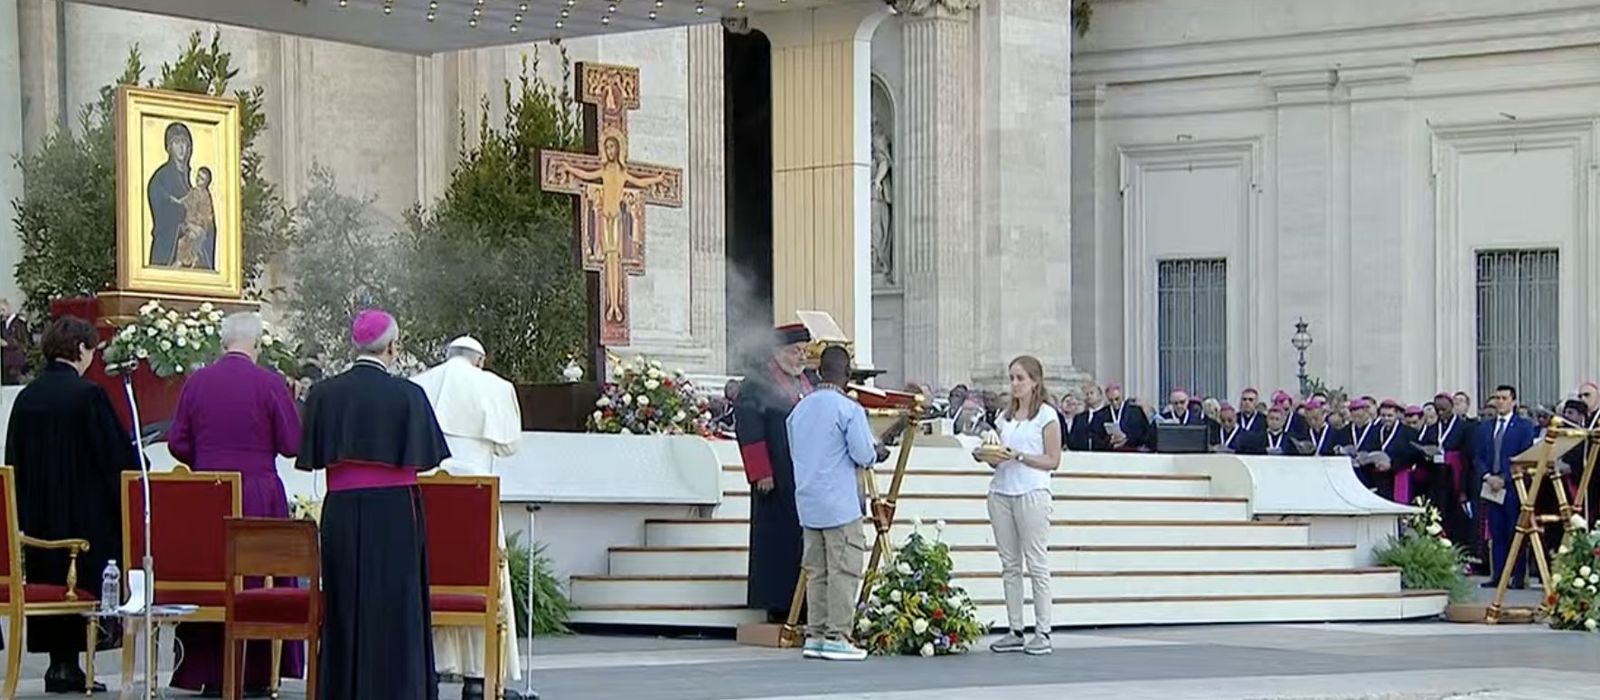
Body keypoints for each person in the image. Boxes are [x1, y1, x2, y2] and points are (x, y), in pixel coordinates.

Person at [297, 310, 450, 699]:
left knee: (345, 598)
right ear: (393, 347)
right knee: (397, 602)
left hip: (344, 511)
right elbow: (427, 457)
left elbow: (310, 456)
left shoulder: (325, 394)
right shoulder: (408, 394)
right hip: (396, 510)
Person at [165, 312, 303, 695]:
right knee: (260, 576)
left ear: (223, 343)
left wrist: (206, 461)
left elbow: (177, 442)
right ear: (257, 344)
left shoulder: (197, 382)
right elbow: (292, 443)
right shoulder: (269, 383)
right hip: (259, 492)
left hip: (210, 495)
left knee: (213, 575)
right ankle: (258, 673)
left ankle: (208, 671)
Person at [3, 316, 134, 692]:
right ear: (80, 349)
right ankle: (78, 662)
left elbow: (14, 459)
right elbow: (115, 459)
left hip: (39, 518)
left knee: (50, 573)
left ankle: (60, 664)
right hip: (84, 516)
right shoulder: (88, 395)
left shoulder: (27, 397)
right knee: (91, 573)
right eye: (90, 349)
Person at [411, 336, 526, 700]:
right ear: (480, 361)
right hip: (478, 498)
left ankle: (428, 666)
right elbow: (509, 444)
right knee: (483, 578)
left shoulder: (418, 385)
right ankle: (479, 676)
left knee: (429, 577)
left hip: (425, 496)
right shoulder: (497, 387)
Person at [785, 346, 888, 662]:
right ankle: (838, 635)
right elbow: (862, 453)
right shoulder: (848, 409)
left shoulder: (799, 409)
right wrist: (876, 452)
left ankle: (815, 634)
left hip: (808, 499)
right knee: (844, 570)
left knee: (817, 572)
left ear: (818, 373)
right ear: (847, 375)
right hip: (840, 503)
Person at [734, 323, 816, 622]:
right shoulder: (757, 383)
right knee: (779, 541)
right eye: (795, 351)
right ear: (777, 352)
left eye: (805, 351)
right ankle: (779, 605)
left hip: (805, 476)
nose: (801, 357)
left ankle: (805, 604)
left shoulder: (808, 382)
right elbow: (749, 428)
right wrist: (760, 472)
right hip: (776, 475)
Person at [982, 356, 1061, 656]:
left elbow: (1053, 460)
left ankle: (1043, 630)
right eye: (1012, 378)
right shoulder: (1004, 418)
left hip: (1032, 490)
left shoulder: (1046, 416)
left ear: (1034, 382)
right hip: (1002, 490)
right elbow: (999, 459)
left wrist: (1020, 456)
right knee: (1009, 564)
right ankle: (1016, 628)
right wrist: (991, 455)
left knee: (1036, 562)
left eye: (1020, 378)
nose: (1014, 384)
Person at [1474, 384, 1536, 589]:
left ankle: (1518, 575)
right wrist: (1487, 476)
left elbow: (1524, 455)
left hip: (1513, 486)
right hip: (1492, 486)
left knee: (1514, 531)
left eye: (1503, 398)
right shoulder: (1485, 427)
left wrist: (1505, 477)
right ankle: (1498, 574)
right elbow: (1478, 456)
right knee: (1497, 532)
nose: (1499, 402)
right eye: (1497, 398)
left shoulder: (1524, 426)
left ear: (1513, 401)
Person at [1, 298, 29, 385]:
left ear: (8, 307)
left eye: (3, 310)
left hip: (17, 362)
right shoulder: (2, 324)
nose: (1, 313)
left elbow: (24, 342)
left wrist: (7, 343)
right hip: (5, 363)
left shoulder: (19, 323)